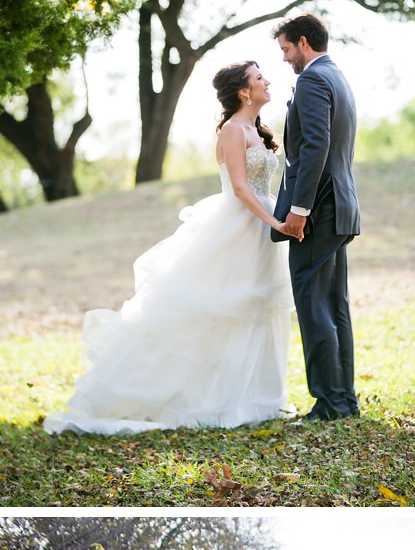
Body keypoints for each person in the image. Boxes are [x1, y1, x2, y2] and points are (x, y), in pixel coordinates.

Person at [44, 62, 295, 435]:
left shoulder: (257, 131)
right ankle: (205, 398)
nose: (267, 81)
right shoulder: (231, 130)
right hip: (239, 227)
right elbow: (241, 189)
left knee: (257, 307)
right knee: (224, 307)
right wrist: (274, 221)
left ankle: (255, 397)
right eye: (259, 78)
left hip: (260, 227)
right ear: (244, 91)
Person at [272, 12, 361, 421]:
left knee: (313, 301)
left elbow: (314, 149)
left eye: (287, 49)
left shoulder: (311, 79)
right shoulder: (339, 77)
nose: (286, 59)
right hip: (341, 205)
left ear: (304, 42)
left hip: (318, 210)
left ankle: (328, 402)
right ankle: (343, 399)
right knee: (334, 304)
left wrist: (298, 211)